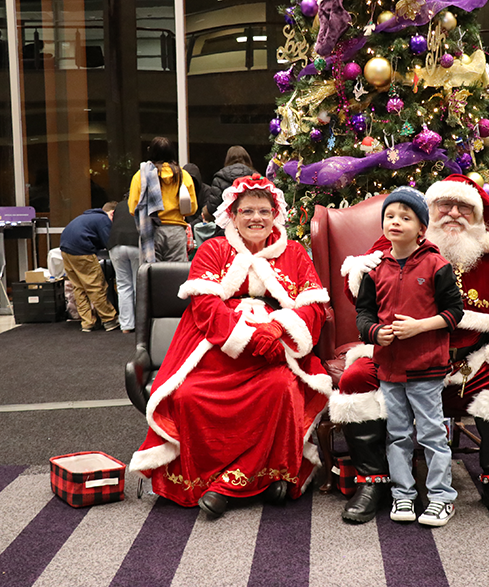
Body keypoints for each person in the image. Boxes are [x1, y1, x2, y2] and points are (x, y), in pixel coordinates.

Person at [333, 174, 489, 524]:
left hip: (468, 367)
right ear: (429, 213)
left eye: (464, 206)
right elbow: (359, 299)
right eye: (445, 205)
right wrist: (360, 283)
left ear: (478, 216)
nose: (454, 213)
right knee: (356, 378)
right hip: (398, 359)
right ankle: (373, 480)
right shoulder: (388, 249)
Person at [129, 173, 332, 518]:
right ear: (233, 215)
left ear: (275, 215)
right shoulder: (213, 249)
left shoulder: (295, 253)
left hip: (275, 351)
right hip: (216, 349)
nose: (257, 218)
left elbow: (314, 307)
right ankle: (231, 482)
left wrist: (278, 329)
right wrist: (250, 337)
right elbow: (206, 307)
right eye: (248, 211)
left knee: (282, 389)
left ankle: (245, 482)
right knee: (190, 397)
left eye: (264, 211)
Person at [356, 187, 464, 527]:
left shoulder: (437, 265)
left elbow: (455, 313)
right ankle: (404, 495)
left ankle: (441, 497)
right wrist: (375, 333)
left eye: (406, 217)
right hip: (389, 368)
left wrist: (420, 327)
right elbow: (364, 315)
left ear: (421, 228)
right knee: (398, 434)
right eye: (390, 216)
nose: (395, 222)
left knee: (432, 434)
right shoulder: (375, 269)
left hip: (427, 367)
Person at [128, 137, 197, 263]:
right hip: (176, 231)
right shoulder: (183, 175)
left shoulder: (141, 176)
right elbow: (191, 208)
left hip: (151, 231)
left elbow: (133, 208)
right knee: (176, 275)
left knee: (152, 275)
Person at [60, 202, 120, 333]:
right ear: (112, 213)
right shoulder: (104, 219)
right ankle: (109, 319)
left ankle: (87, 322)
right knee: (96, 286)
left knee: (79, 287)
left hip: (65, 250)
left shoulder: (88, 216)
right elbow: (108, 243)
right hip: (82, 251)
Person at [107, 195, 140, 333]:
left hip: (115, 244)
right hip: (135, 244)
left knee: (123, 285)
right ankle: (141, 323)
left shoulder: (120, 205)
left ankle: (126, 325)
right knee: (139, 284)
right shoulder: (143, 203)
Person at [210, 146, 256, 210]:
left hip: (225, 218)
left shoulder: (219, 178)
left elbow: (212, 206)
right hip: (251, 216)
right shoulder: (256, 178)